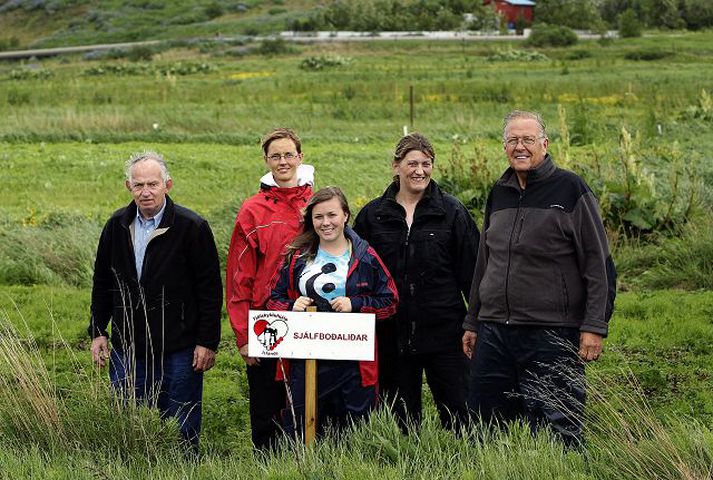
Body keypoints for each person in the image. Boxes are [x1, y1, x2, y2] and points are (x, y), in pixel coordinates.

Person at [462, 110, 617, 447]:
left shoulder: (570, 188)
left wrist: (594, 326)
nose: (520, 146)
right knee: (484, 424)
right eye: (513, 140)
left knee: (557, 422)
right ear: (504, 147)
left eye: (528, 140)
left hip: (551, 331)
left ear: (544, 144)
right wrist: (473, 321)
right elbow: (484, 262)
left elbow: (598, 263)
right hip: (494, 330)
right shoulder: (498, 192)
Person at [89, 151, 222, 453]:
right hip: (129, 344)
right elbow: (102, 282)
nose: (145, 192)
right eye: (139, 185)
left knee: (181, 420)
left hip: (180, 344)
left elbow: (210, 289)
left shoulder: (192, 227)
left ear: (167, 185)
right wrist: (98, 329)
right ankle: (133, 465)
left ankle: (182, 469)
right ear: (128, 187)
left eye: (152, 184)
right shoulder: (116, 226)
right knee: (128, 417)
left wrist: (207, 341)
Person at [353, 133, 479, 431]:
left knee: (461, 414)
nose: (419, 170)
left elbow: (473, 274)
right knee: (399, 419)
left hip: (446, 331)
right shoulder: (373, 216)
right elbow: (357, 276)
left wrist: (475, 322)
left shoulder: (452, 212)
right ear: (395, 166)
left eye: (426, 163)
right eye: (412, 163)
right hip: (390, 332)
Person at [267, 186, 398, 437]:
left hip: (354, 361)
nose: (326, 223)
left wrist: (356, 304)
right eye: (318, 217)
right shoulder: (298, 256)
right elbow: (272, 298)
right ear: (311, 220)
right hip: (305, 357)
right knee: (301, 428)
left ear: (345, 215)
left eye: (332, 215)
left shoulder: (365, 256)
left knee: (355, 431)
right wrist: (291, 307)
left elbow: (390, 302)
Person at [225, 128, 314, 450]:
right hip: (267, 320)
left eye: (289, 154)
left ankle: (313, 460)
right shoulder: (253, 210)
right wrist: (243, 335)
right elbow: (239, 278)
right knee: (267, 401)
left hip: (312, 317)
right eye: (275, 156)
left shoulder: (317, 204)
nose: (283, 161)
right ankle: (268, 464)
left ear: (300, 157)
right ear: (266, 160)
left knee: (310, 394)